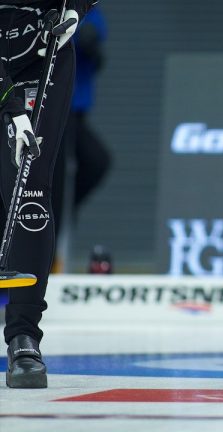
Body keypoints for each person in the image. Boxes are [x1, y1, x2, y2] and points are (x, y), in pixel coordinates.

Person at [0, 0, 98, 389]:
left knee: (29, 191)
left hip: (44, 50)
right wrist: (9, 106)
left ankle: (23, 339)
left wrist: (76, 7)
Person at [52, 5, 110, 270]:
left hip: (75, 110)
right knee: (55, 184)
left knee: (96, 162)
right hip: (49, 109)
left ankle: (56, 222)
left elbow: (96, 32)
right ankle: (48, 256)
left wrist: (92, 45)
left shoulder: (90, 9)